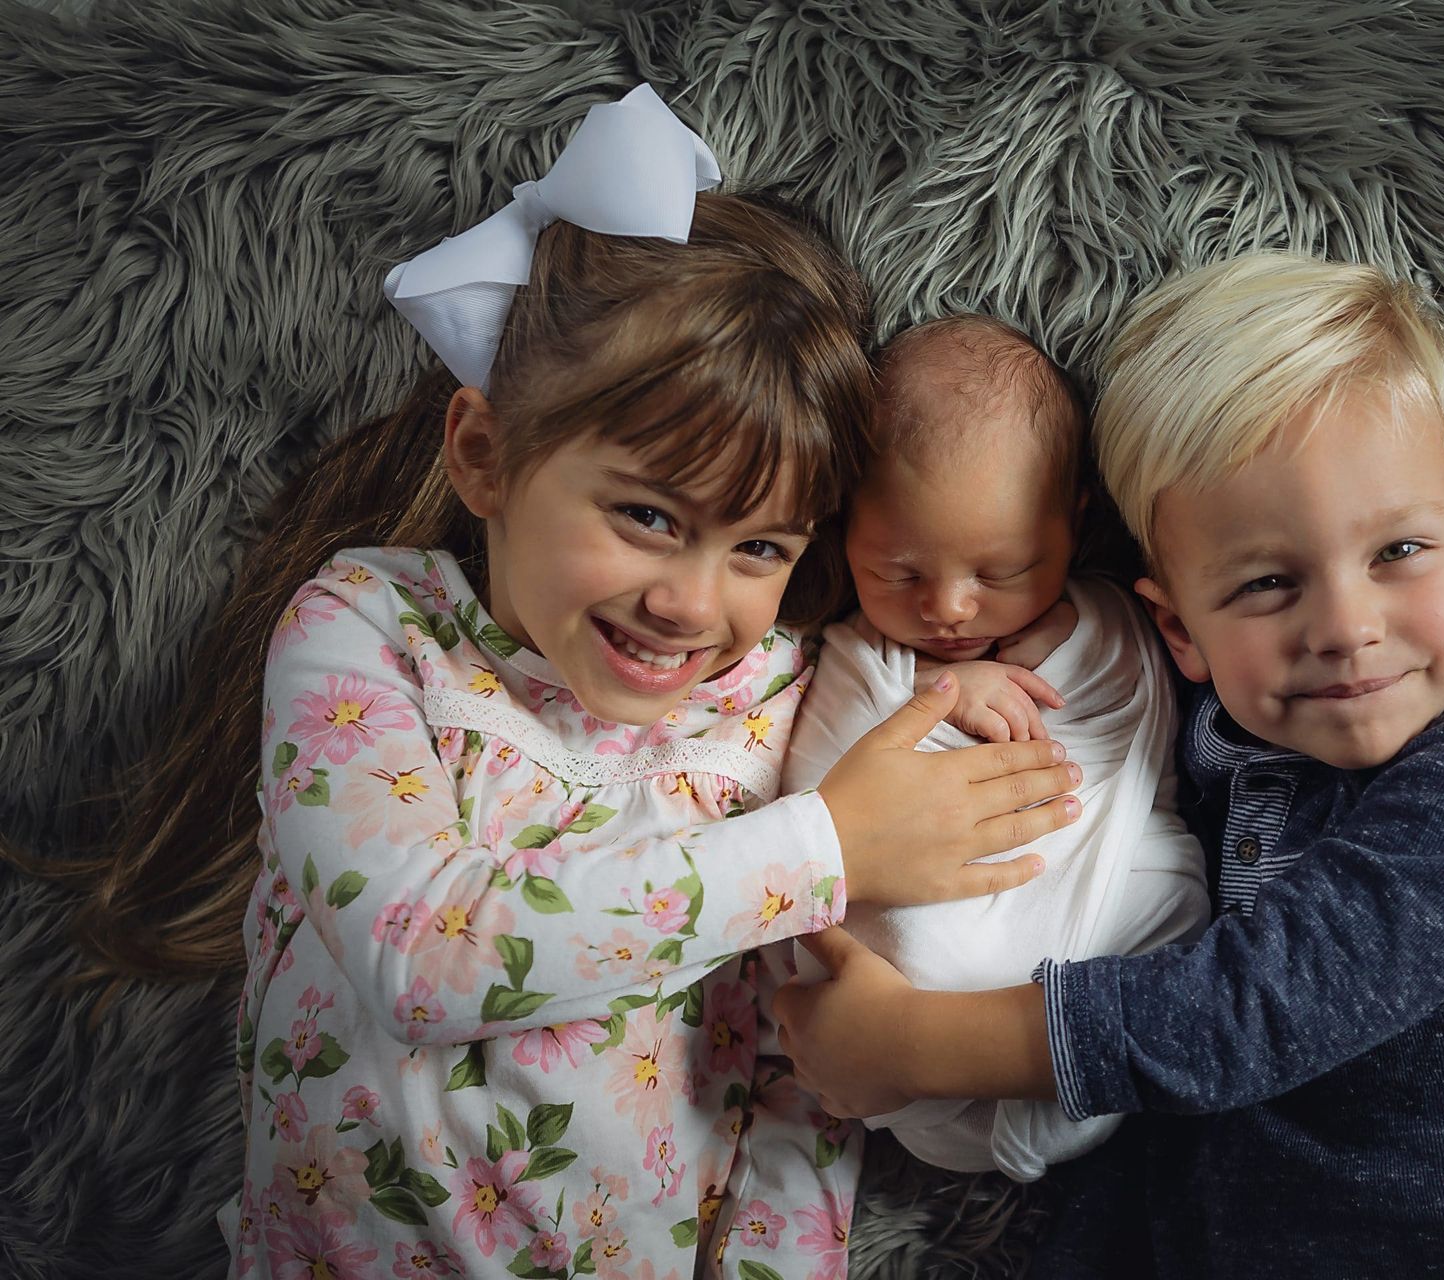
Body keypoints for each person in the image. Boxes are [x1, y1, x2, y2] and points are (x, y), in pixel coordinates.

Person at [16, 86, 1086, 1280]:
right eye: (645, 514)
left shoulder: (781, 693)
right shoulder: (372, 630)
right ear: (484, 454)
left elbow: (791, 1084)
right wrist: (829, 846)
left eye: (762, 547)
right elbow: (426, 954)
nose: (690, 600)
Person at [773, 252, 1444, 1277]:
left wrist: (912, 1043)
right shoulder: (1218, 742)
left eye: (1399, 551)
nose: (1345, 627)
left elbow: (1256, 1003)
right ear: (1178, 627)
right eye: (1268, 582)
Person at [751, 316, 1207, 1187]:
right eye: (901, 572)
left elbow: (1128, 709)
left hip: (1094, 914)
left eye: (999, 573)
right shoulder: (857, 654)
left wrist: (1063, 639)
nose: (951, 610)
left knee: (1173, 891)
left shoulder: (1105, 617)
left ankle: (1017, 1078)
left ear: (1073, 523)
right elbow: (825, 779)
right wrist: (937, 694)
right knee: (906, 938)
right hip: (907, 1011)